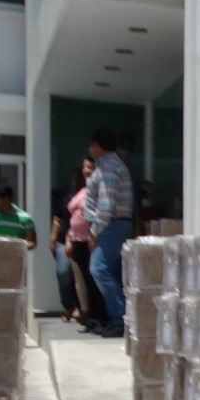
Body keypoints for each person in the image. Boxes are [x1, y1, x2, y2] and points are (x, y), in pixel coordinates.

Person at [83, 129, 133, 338]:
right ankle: (118, 318)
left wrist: (94, 232)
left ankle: (120, 319)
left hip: (112, 225)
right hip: (112, 225)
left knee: (98, 268)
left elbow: (105, 205)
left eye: (90, 145)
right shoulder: (108, 165)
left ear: (96, 145)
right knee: (110, 272)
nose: (89, 149)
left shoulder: (109, 168)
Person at [65, 160, 107, 330]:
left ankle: (99, 317)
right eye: (84, 167)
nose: (86, 170)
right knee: (81, 279)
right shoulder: (83, 189)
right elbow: (73, 217)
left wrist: (94, 235)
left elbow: (101, 214)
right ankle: (87, 315)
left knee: (92, 279)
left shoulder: (99, 190)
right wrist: (69, 238)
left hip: (91, 240)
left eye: (90, 167)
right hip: (77, 240)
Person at [48, 185, 79, 319]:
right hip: (62, 240)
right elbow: (57, 219)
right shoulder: (67, 198)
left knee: (81, 276)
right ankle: (68, 307)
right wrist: (53, 239)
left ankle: (79, 307)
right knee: (63, 272)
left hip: (81, 241)